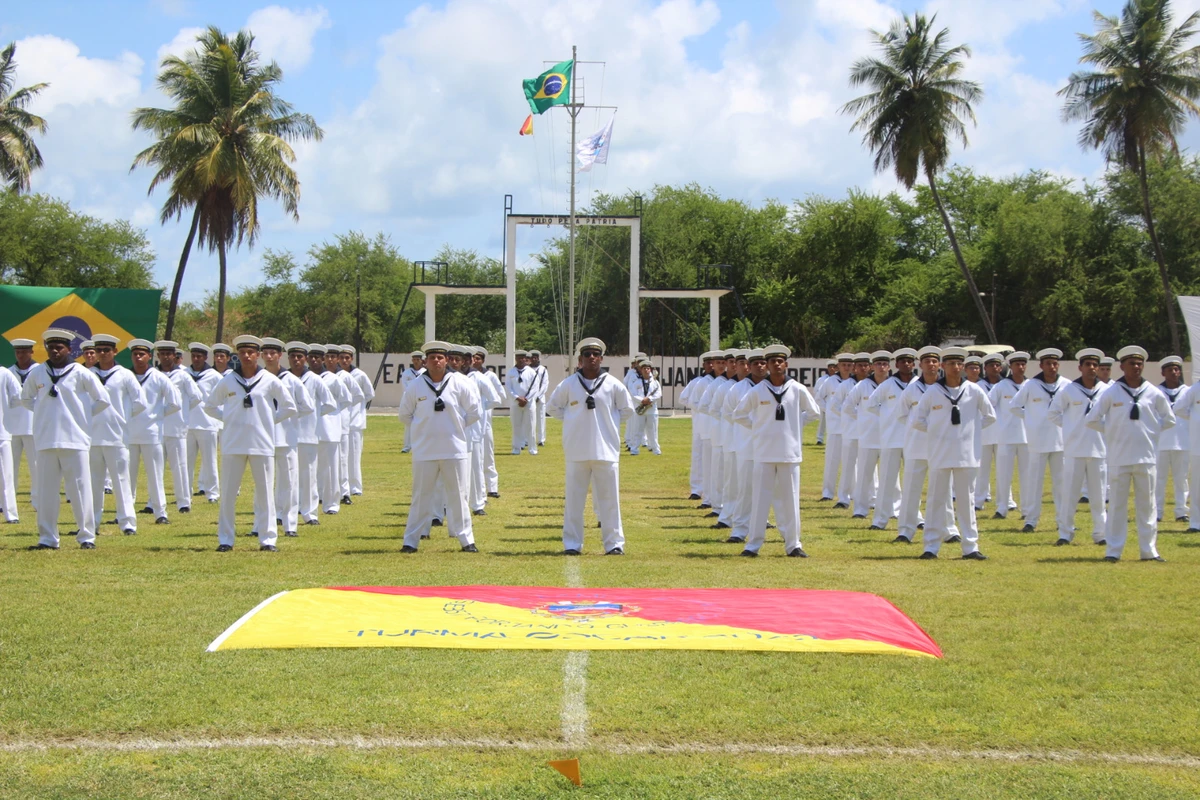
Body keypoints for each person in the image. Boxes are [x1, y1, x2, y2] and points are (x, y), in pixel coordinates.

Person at [203, 335, 296, 552]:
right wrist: (227, 418)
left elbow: (289, 406)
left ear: (258, 355)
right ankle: (226, 539)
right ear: (237, 355)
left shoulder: (270, 380)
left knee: (265, 493)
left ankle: (268, 539)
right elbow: (209, 406)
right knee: (227, 494)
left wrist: (268, 420)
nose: (246, 356)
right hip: (233, 444)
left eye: (251, 352)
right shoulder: (227, 380)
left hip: (262, 443)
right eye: (242, 352)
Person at [1084, 346, 1175, 562]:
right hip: (1119, 457)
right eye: (1131, 364)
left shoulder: (1153, 392)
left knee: (1147, 506)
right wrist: (1113, 432)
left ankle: (1149, 551)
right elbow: (1092, 419)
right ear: (1122, 366)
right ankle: (1113, 550)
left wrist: (1151, 432)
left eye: (1139, 364)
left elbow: (1169, 419)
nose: (1136, 367)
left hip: (1146, 457)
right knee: (1116, 506)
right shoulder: (1112, 392)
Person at [22, 329, 111, 550]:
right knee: (46, 492)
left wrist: (82, 415)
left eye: (59, 347)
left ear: (69, 349)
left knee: (80, 490)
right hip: (46, 440)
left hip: (75, 439)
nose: (54, 351)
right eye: (51, 347)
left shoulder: (80, 372)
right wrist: (43, 413)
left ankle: (87, 536)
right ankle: (47, 538)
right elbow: (26, 398)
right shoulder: (38, 372)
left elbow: (102, 400)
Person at [546, 337, 634, 555]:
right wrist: (573, 420)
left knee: (610, 501)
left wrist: (608, 424)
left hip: (606, 451)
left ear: (602, 358)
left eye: (595, 355)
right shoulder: (568, 384)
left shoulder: (614, 384)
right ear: (580, 359)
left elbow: (627, 411)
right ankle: (572, 544)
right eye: (587, 355)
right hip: (577, 451)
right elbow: (553, 408)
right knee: (574, 501)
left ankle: (614, 544)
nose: (591, 358)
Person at [733, 343, 820, 557]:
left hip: (789, 454)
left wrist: (796, 425)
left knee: (790, 500)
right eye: (772, 362)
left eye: (780, 361)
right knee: (760, 500)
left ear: (786, 365)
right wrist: (757, 427)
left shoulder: (797, 389)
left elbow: (814, 412)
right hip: (763, 453)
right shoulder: (758, 390)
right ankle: (753, 545)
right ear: (768, 366)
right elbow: (739, 414)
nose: (776, 364)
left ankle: (793, 545)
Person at [397, 341, 482, 553]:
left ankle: (466, 540)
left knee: (458, 496)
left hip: (454, 448)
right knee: (421, 497)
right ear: (425, 361)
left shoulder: (460, 382)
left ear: (446, 360)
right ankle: (410, 540)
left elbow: (474, 411)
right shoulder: (415, 385)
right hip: (425, 451)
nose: (436, 361)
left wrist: (455, 427)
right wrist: (423, 429)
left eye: (440, 357)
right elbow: (404, 415)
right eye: (432, 357)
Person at [912, 347, 995, 560]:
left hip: (966, 454)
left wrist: (971, 432)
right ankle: (931, 546)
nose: (955, 368)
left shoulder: (974, 390)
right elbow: (918, 420)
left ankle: (970, 546)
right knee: (936, 500)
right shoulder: (933, 392)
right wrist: (938, 432)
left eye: (959, 364)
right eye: (950, 364)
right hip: (940, 453)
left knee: (966, 502)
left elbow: (989, 416)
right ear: (942, 366)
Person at [1048, 348, 1108, 546]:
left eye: (1094, 365)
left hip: (1098, 449)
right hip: (1074, 449)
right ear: (1080, 367)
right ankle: (1065, 533)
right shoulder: (1069, 390)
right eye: (1087, 365)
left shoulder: (1106, 390)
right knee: (1070, 495)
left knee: (1099, 497)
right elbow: (1053, 413)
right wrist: (1071, 427)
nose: (1091, 368)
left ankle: (1101, 533)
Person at [88, 334, 146, 536]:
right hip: (92, 435)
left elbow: (140, 402)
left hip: (117, 435)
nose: (102, 354)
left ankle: (127, 522)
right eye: (99, 350)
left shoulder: (124, 374)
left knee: (121, 480)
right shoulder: (89, 373)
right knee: (94, 482)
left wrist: (123, 418)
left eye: (106, 350)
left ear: (114, 352)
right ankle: (92, 522)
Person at [1010, 348, 1070, 533]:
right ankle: (1031, 519)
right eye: (1048, 364)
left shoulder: (1066, 385)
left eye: (1054, 364)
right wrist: (1031, 419)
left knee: (1061, 483)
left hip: (1060, 440)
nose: (1051, 367)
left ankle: (1063, 520)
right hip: (1037, 440)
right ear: (1041, 365)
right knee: (1034, 481)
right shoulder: (1031, 385)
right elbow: (1014, 406)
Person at [260, 338, 315, 538]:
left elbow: (307, 406)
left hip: (287, 436)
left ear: (279, 355)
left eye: (272, 353)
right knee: (263, 484)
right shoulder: (258, 378)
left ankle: (290, 524)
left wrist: (288, 418)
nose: (268, 357)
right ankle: (260, 524)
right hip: (263, 438)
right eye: (265, 353)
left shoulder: (291, 380)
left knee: (289, 482)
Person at [126, 339, 181, 524]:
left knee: (155, 475)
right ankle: (126, 512)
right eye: (135, 354)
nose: (139, 358)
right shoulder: (126, 376)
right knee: (127, 476)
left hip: (151, 433)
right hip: (128, 433)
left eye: (142, 354)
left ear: (149, 356)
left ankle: (160, 512)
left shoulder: (158, 377)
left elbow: (175, 403)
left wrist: (156, 415)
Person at [866, 348, 916, 531]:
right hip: (891, 438)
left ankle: (915, 517)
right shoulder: (888, 384)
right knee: (887, 481)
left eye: (909, 361)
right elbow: (871, 405)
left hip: (913, 439)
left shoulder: (919, 383)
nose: (906, 364)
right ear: (896, 365)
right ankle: (879, 520)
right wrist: (887, 416)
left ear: (914, 364)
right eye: (902, 361)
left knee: (913, 482)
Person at [288, 342, 336, 527]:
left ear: (305, 359)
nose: (296, 360)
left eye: (300, 357)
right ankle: (284, 510)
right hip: (286, 434)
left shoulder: (314, 380)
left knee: (308, 476)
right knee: (287, 475)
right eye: (293, 357)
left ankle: (309, 512)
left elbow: (330, 403)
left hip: (308, 434)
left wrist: (315, 414)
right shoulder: (283, 378)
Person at [725, 349, 767, 544]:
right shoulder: (738, 389)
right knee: (745, 488)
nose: (759, 366)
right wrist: (755, 426)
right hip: (747, 444)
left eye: (762, 362)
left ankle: (764, 523)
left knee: (771, 490)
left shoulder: (774, 387)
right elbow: (728, 413)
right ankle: (740, 529)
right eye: (755, 363)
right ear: (748, 366)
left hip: (770, 446)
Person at [156, 341, 201, 515]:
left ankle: (183, 501)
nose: (166, 357)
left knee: (180, 466)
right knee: (156, 467)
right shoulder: (153, 374)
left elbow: (196, 396)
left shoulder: (182, 375)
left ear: (174, 356)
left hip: (176, 427)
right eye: (162, 353)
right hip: (157, 427)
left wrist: (184, 413)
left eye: (169, 353)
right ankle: (154, 502)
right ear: (158, 356)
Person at [848, 351, 891, 520]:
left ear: (888, 367)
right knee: (864, 475)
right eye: (878, 364)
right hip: (868, 436)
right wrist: (862, 420)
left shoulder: (893, 384)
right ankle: (860, 508)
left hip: (889, 436)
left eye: (884, 364)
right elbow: (848, 406)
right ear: (872, 367)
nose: (881, 367)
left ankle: (892, 508)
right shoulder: (862, 385)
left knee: (891, 477)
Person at [308, 344, 349, 515]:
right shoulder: (305, 378)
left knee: (331, 469)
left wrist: (332, 416)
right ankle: (310, 499)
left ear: (323, 359)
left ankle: (332, 503)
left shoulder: (333, 379)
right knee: (310, 468)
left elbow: (346, 399)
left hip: (330, 429)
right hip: (309, 429)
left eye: (318, 358)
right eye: (312, 357)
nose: (315, 360)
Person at [460, 345, 501, 516]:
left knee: (476, 465)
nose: (461, 363)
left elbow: (495, 399)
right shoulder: (450, 377)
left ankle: (477, 503)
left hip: (475, 428)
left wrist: (479, 410)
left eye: (465, 360)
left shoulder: (479, 377)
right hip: (454, 428)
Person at [988, 351, 1029, 520]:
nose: (1020, 367)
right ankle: (1002, 507)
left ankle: (1027, 509)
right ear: (1010, 367)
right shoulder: (1001, 386)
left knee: (1027, 475)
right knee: (1004, 474)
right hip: (1005, 436)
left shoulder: (1031, 385)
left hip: (1027, 436)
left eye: (1022, 364)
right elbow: (988, 406)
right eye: (1016, 364)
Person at [185, 343, 222, 503]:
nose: (196, 359)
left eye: (199, 356)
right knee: (186, 462)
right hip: (187, 423)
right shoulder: (184, 373)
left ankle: (213, 493)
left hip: (207, 423)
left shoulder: (214, 375)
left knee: (210, 461)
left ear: (206, 357)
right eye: (194, 356)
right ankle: (186, 494)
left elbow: (223, 396)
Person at [679, 353, 717, 501]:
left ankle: (712, 490)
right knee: (698, 456)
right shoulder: (698, 382)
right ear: (704, 366)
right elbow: (684, 398)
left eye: (713, 363)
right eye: (708, 363)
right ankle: (696, 489)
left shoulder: (724, 382)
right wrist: (699, 408)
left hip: (717, 424)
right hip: (701, 423)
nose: (711, 366)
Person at [1155, 355, 1188, 523]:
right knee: (1158, 479)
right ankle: (1158, 512)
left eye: (1176, 369)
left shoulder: (1188, 391)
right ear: (1163, 373)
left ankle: (1181, 511)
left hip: (1182, 441)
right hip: (1160, 442)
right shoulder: (1155, 392)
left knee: (1181, 480)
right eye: (1170, 370)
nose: (1174, 373)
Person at [340, 345, 376, 498]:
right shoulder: (334, 375)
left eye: (347, 358)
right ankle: (343, 486)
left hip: (355, 422)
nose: (344, 360)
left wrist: (358, 408)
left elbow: (369, 394)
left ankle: (355, 486)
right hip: (340, 422)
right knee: (341, 457)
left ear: (351, 359)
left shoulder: (359, 375)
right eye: (341, 357)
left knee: (354, 456)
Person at [7, 338, 39, 513]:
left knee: (36, 466)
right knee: (9, 466)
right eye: (18, 352)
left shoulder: (40, 371)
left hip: (33, 424)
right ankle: (6, 501)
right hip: (11, 425)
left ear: (31, 352)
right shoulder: (8, 372)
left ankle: (37, 501)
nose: (21, 355)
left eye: (24, 351)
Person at [471, 347, 506, 498]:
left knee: (488, 454)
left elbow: (500, 394)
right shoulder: (465, 376)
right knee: (474, 457)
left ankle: (492, 487)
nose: (475, 361)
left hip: (485, 421)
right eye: (473, 358)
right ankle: (477, 491)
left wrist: (483, 406)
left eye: (478, 358)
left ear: (483, 360)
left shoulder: (488, 375)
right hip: (471, 422)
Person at [834, 354, 867, 509]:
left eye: (866, 365)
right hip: (851, 430)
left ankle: (870, 498)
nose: (863, 368)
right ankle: (844, 498)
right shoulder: (846, 385)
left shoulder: (874, 384)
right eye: (859, 365)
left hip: (869, 432)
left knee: (869, 467)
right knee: (848, 464)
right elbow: (836, 405)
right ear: (855, 368)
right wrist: (857, 416)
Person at [819, 354, 853, 502]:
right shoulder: (830, 381)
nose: (846, 367)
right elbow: (819, 399)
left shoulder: (856, 383)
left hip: (852, 427)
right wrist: (829, 412)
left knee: (852, 462)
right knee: (832, 461)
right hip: (835, 427)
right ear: (837, 366)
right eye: (843, 364)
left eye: (849, 365)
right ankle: (827, 492)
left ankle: (851, 493)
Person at [975, 353, 1006, 510]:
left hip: (1002, 433)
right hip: (984, 432)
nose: (994, 368)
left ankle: (1007, 501)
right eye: (991, 365)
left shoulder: (1007, 385)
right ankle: (979, 500)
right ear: (985, 368)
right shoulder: (977, 386)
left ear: (1001, 367)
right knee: (982, 469)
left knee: (1004, 470)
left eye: (997, 365)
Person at [0, 360, 22, 523]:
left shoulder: (4, 373)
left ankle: (11, 513)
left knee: (6, 475)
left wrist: (5, 411)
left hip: (1, 431)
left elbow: (18, 396)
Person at [506, 349, 537, 455]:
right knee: (516, 426)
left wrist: (526, 399)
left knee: (531, 426)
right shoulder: (511, 372)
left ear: (526, 359)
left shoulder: (531, 372)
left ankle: (532, 449)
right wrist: (517, 398)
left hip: (529, 403)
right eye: (519, 358)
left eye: (523, 358)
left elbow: (534, 388)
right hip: (515, 403)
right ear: (516, 359)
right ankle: (516, 448)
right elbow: (508, 388)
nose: (521, 360)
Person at [630, 358, 662, 456]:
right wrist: (642, 400)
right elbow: (633, 394)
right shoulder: (637, 382)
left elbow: (659, 393)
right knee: (638, 430)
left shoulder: (655, 382)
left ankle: (656, 450)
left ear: (650, 370)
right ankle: (634, 450)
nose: (646, 370)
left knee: (653, 431)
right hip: (641, 410)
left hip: (652, 410)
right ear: (641, 370)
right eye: (644, 368)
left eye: (648, 368)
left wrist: (650, 399)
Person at [399, 351, 424, 453]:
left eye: (418, 360)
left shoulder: (424, 372)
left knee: (422, 421)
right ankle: (407, 446)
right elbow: (405, 387)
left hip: (422, 399)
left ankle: (420, 445)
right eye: (414, 360)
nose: (416, 362)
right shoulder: (407, 373)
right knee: (408, 423)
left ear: (422, 360)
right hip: (409, 399)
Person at [529, 349, 549, 448]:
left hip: (540, 398)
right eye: (532, 357)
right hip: (529, 398)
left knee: (541, 419)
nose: (534, 359)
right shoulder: (527, 370)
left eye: (536, 357)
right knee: (529, 419)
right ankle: (528, 439)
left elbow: (545, 384)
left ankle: (541, 439)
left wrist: (538, 396)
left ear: (538, 358)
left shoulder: (543, 370)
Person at [814, 360, 836, 445]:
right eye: (830, 367)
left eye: (833, 367)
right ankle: (820, 439)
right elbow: (817, 391)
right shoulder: (822, 379)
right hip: (824, 403)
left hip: (834, 403)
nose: (832, 368)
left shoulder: (839, 379)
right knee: (822, 421)